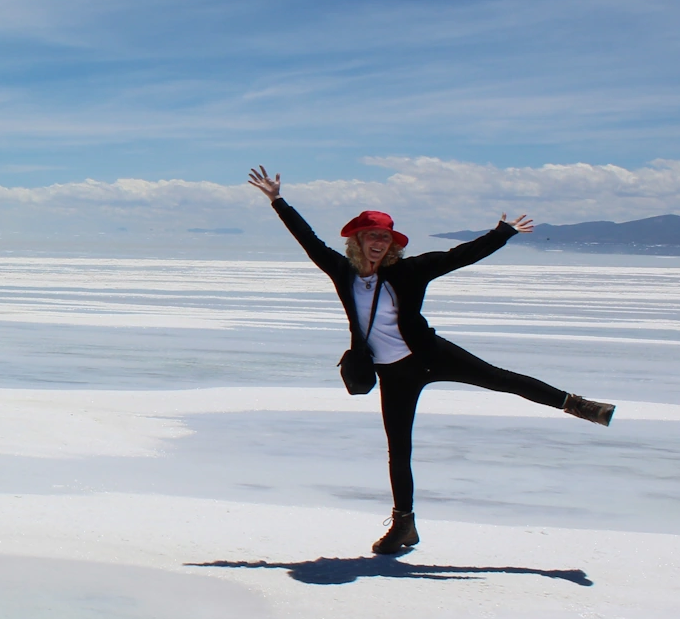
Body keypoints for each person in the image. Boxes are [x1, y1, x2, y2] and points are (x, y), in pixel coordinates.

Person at [247, 166, 616, 555]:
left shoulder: (409, 271)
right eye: (372, 235)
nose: (379, 242)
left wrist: (501, 234)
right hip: (393, 373)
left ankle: (578, 405)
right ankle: (404, 525)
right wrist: (277, 200)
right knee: (399, 448)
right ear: (357, 240)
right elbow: (308, 240)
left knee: (499, 378)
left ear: (392, 244)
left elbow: (460, 256)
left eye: (385, 237)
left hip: (430, 354)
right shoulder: (343, 272)